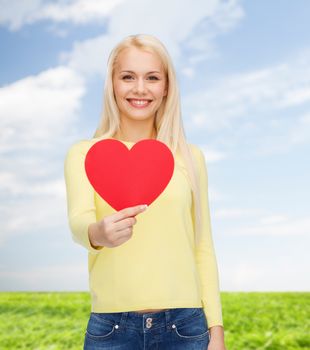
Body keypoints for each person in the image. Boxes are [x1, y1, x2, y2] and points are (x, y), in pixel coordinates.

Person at [64, 34, 226, 350]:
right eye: (128, 77)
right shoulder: (84, 153)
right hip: (111, 330)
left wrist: (216, 330)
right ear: (112, 84)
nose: (140, 88)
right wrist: (98, 233)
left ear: (166, 87)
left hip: (186, 328)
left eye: (152, 77)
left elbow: (202, 245)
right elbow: (78, 222)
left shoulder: (190, 157)